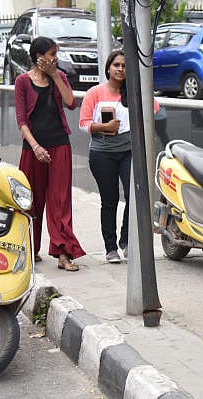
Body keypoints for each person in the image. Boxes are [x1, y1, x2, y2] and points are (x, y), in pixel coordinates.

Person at [79, 50, 159, 263]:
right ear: (108, 67)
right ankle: (110, 247)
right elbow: (83, 123)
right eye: (117, 65)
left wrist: (140, 90)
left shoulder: (133, 92)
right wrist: (102, 126)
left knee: (133, 196)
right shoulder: (94, 93)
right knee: (110, 200)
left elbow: (154, 110)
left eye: (125, 66)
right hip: (102, 151)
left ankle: (126, 241)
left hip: (128, 151)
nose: (121, 69)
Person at [14, 36, 85, 271]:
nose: (55, 58)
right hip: (32, 148)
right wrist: (35, 147)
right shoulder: (23, 82)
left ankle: (63, 253)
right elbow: (22, 121)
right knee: (30, 200)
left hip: (59, 145)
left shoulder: (60, 76)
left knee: (60, 201)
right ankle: (29, 249)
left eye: (56, 54)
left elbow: (71, 103)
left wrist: (55, 75)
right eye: (52, 54)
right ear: (38, 57)